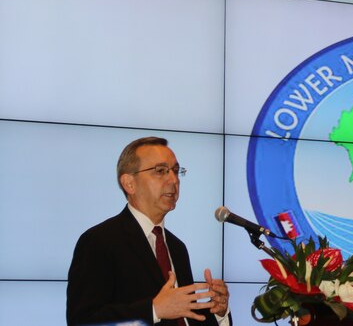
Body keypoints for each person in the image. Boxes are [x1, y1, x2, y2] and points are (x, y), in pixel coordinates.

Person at [67, 137, 231, 326]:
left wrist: (219, 312)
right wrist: (154, 309)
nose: (174, 180)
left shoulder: (177, 248)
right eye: (160, 171)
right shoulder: (99, 241)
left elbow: (182, 319)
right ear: (129, 183)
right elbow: (82, 321)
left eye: (176, 171)